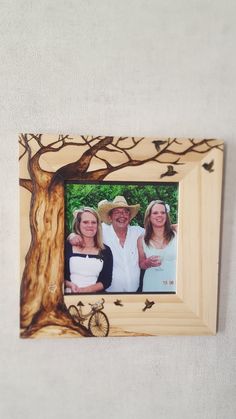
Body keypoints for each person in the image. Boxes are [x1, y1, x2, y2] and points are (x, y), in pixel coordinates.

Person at [69, 196, 144, 292]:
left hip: (134, 296)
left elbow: (157, 233)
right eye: (117, 212)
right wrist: (72, 235)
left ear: (129, 217)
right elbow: (85, 231)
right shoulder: (101, 231)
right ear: (110, 217)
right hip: (107, 296)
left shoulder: (138, 232)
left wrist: (170, 228)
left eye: (125, 212)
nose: (122, 215)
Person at [64, 207, 113, 294]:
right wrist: (69, 285)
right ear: (78, 224)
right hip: (68, 298)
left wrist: (83, 291)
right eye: (85, 222)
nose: (90, 225)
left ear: (98, 226)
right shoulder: (67, 247)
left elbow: (106, 281)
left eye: (93, 222)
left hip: (95, 300)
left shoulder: (105, 250)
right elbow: (56, 275)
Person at [137, 200, 177, 292]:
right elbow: (141, 264)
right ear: (149, 217)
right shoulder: (141, 239)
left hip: (173, 285)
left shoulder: (177, 232)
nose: (160, 215)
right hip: (151, 285)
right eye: (155, 213)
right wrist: (147, 262)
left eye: (163, 212)